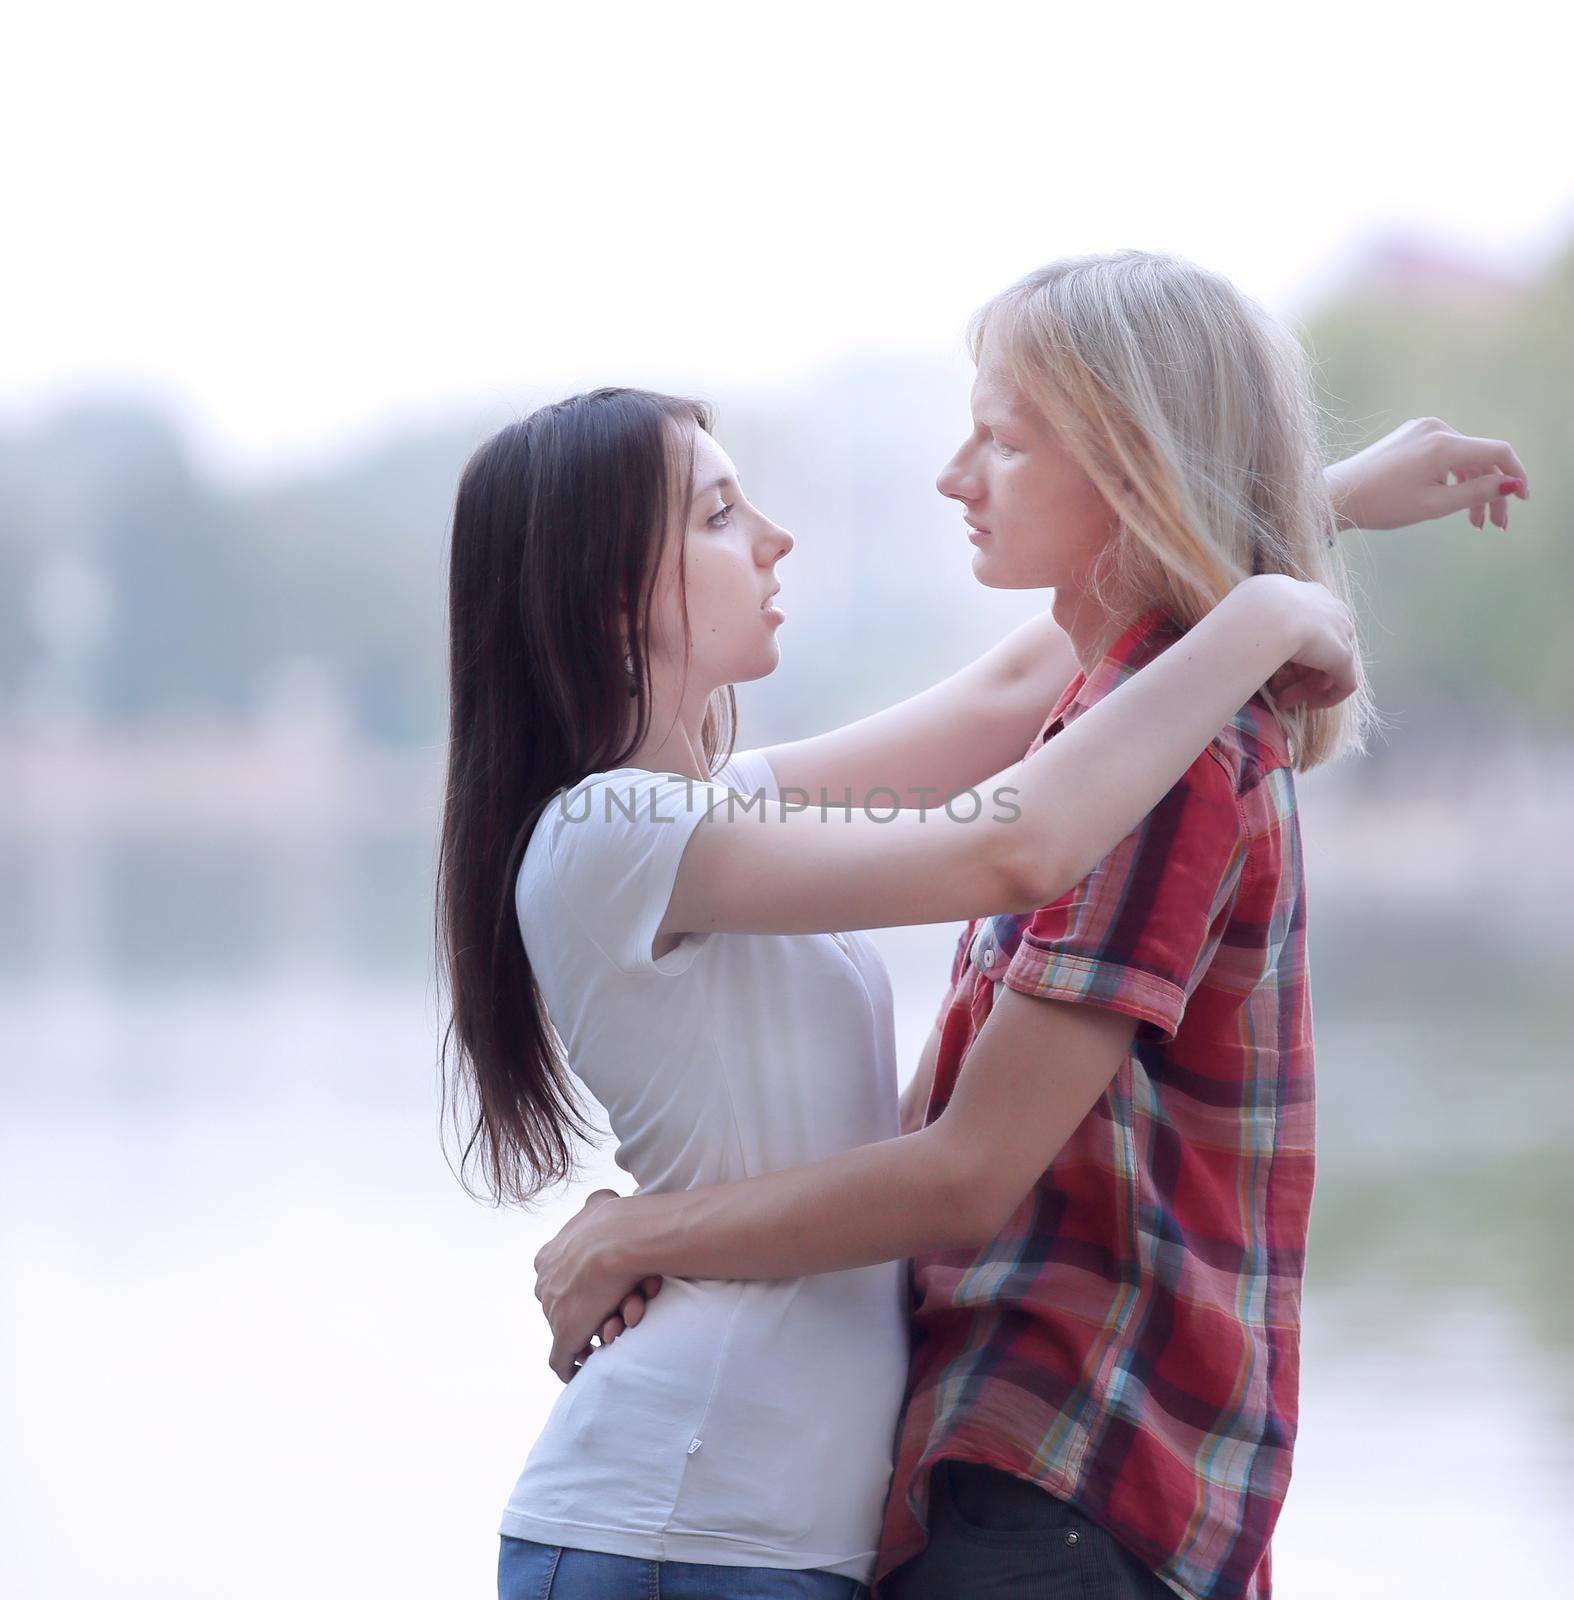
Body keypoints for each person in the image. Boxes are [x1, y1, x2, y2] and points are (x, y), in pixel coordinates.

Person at [523, 253, 1528, 1600]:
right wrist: (1271, 589)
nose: (775, 537)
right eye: (717, 515)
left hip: (975, 1492)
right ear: (608, 591)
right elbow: (1007, 837)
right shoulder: (632, 832)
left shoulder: (1115, 750)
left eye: (1000, 437)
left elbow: (1018, 696)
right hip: (765, 1503)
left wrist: (1294, 528)